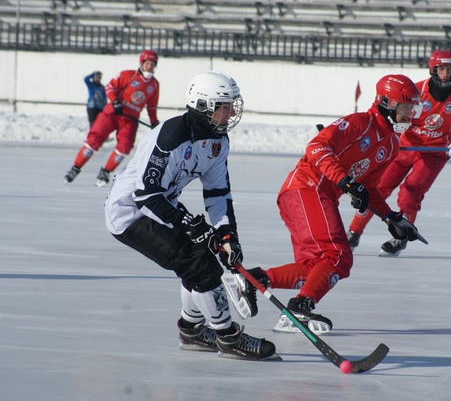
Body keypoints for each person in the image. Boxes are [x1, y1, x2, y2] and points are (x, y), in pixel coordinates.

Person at [104, 70, 277, 360]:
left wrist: (226, 235)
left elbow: (218, 193)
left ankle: (191, 330)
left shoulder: (218, 141)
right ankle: (228, 337)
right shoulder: (172, 138)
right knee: (202, 267)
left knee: (201, 261)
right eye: (224, 106)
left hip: (161, 207)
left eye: (233, 104)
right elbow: (145, 194)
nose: (232, 112)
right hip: (131, 214)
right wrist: (186, 222)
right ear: (201, 107)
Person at [234, 74, 425, 334]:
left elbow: (368, 188)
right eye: (405, 108)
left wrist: (392, 218)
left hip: (310, 197)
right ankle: (300, 307)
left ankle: (255, 280)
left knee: (315, 269)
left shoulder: (391, 145)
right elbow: (316, 147)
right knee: (338, 255)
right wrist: (345, 181)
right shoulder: (359, 123)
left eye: (413, 109)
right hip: (307, 188)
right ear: (385, 103)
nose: (410, 115)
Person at [346, 50, 451, 257]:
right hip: (404, 147)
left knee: (410, 193)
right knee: (377, 188)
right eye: (440, 68)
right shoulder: (416, 90)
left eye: (449, 69)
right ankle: (353, 232)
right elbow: (393, 110)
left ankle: (401, 237)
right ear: (432, 69)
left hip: (434, 152)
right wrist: (396, 128)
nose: (445, 74)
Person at [65, 50, 161, 187]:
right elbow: (110, 87)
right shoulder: (127, 75)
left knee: (125, 146)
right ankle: (76, 167)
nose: (149, 67)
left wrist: (154, 122)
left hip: (129, 119)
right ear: (142, 63)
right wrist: (115, 102)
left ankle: (105, 172)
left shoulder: (154, 85)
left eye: (152, 64)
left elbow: (152, 106)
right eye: (147, 63)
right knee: (94, 140)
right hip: (112, 114)